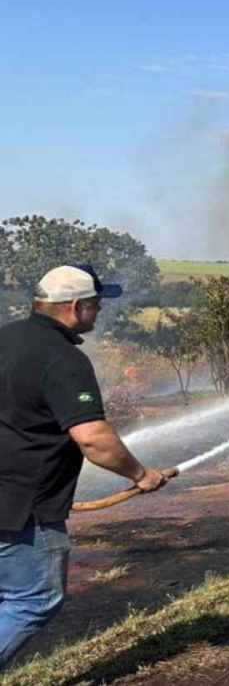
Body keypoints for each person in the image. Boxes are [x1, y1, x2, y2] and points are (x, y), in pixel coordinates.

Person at [0, 265, 166, 668]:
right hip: (23, 507)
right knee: (33, 599)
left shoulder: (5, 337)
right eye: (96, 305)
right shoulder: (63, 358)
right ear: (76, 306)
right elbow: (93, 438)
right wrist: (141, 475)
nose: (98, 313)